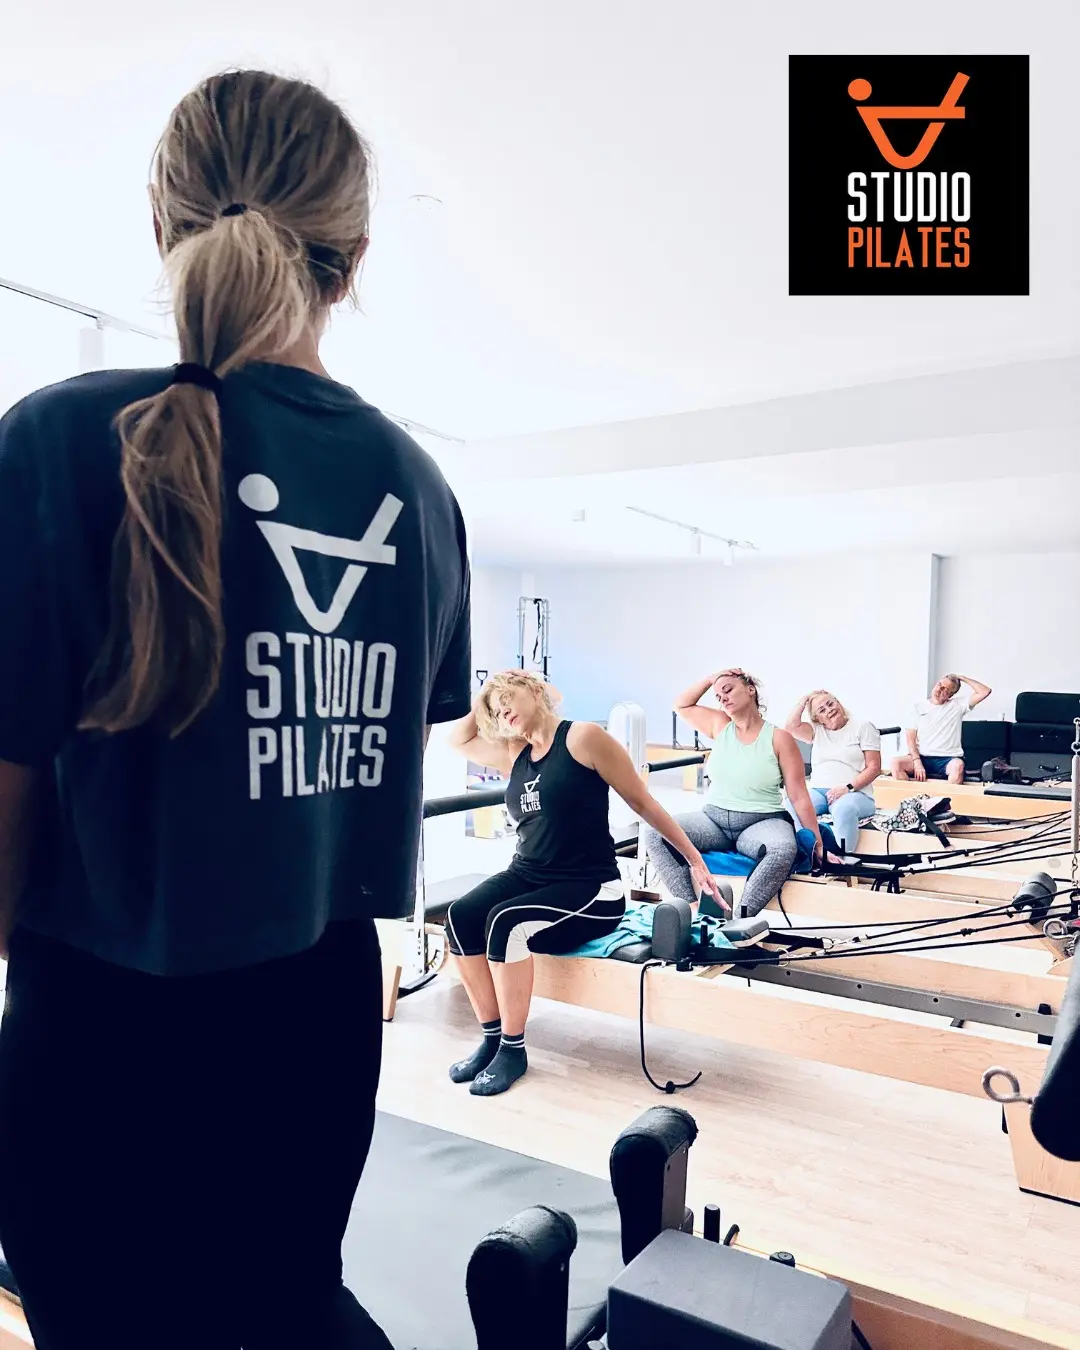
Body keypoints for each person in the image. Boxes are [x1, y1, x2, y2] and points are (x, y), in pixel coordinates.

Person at [0, 72, 472, 1350]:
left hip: (97, 1035)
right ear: (352, 260)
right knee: (283, 1309)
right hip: (314, 1034)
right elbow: (374, 759)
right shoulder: (421, 492)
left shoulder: (56, 440)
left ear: (162, 225)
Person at [445, 670, 725, 1096]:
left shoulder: (583, 738)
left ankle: (512, 1050)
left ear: (534, 690)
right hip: (528, 875)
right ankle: (491, 1038)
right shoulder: (514, 754)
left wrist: (694, 859)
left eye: (508, 698)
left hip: (592, 888)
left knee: (506, 922)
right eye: (495, 710)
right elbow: (458, 739)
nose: (502, 711)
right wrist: (487, 691)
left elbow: (643, 802)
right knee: (460, 917)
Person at [645, 669, 824, 917]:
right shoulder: (720, 726)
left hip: (761, 822)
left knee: (783, 849)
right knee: (654, 832)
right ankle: (693, 909)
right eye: (718, 696)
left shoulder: (779, 738)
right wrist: (712, 679)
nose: (723, 698)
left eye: (728, 690)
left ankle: (740, 920)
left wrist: (817, 843)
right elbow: (681, 705)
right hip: (713, 822)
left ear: (751, 690)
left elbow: (799, 797)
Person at [785, 690, 882, 852]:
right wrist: (805, 699)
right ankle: (807, 852)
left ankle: (843, 859)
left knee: (844, 808)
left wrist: (847, 788)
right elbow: (790, 727)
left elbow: (874, 767)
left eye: (830, 704)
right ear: (817, 719)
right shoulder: (816, 731)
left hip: (855, 793)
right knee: (792, 804)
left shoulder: (863, 726)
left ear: (838, 702)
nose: (829, 710)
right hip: (819, 791)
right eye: (822, 710)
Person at [891, 674, 992, 785]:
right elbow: (910, 738)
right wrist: (917, 761)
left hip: (947, 760)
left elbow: (985, 691)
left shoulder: (958, 705)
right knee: (896, 764)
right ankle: (913, 795)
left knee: (958, 766)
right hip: (922, 758)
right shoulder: (918, 706)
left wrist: (962, 678)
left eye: (945, 689)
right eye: (939, 684)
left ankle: (947, 796)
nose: (939, 689)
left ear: (950, 695)